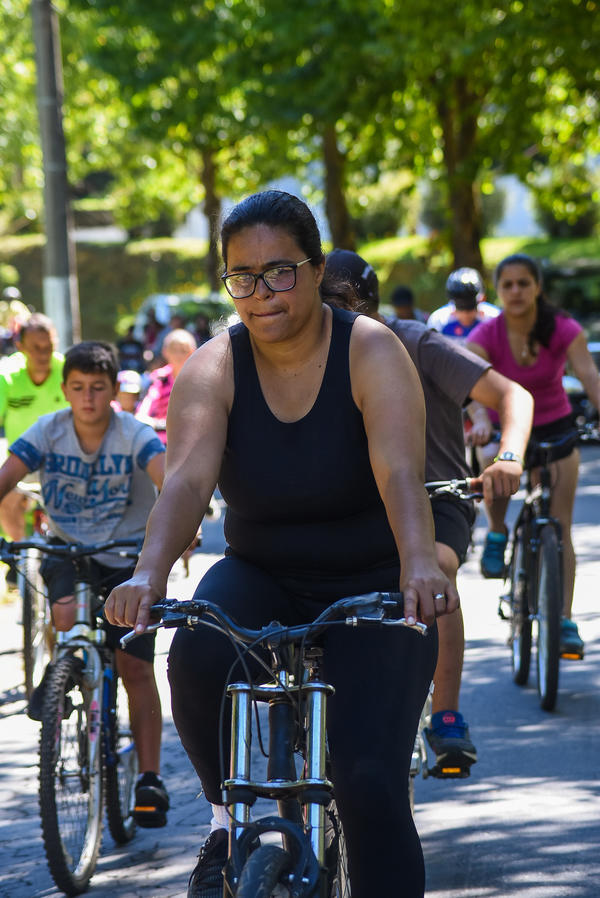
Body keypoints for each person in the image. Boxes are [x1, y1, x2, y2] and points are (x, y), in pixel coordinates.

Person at [105, 189, 459, 898]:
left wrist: (420, 561)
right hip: (262, 568)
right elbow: (185, 482)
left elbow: (398, 469)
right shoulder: (214, 365)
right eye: (242, 275)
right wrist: (148, 574)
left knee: (367, 783)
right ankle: (221, 824)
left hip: (374, 575)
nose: (260, 292)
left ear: (316, 267)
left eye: (280, 271)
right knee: (198, 652)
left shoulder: (369, 348)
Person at [324, 248, 533, 777]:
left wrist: (508, 456)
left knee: (435, 568)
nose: (332, 318)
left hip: (438, 493)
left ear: (369, 307)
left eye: (343, 305)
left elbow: (512, 395)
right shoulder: (306, 349)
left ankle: (445, 714)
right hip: (357, 503)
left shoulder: (417, 342)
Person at [0, 341, 170, 826]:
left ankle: (149, 779)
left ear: (115, 390)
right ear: (65, 390)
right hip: (67, 548)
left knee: (136, 669)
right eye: (78, 388)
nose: (88, 398)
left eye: (98, 388)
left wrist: (183, 528)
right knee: (66, 619)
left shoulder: (133, 433)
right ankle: (64, 680)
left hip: (127, 560)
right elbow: (8, 475)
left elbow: (170, 478)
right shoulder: (47, 431)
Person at [467, 253, 600, 658]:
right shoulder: (486, 334)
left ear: (537, 287)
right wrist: (479, 418)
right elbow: (467, 382)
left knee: (559, 529)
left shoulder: (562, 328)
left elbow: (590, 376)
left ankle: (563, 619)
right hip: (506, 429)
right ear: (497, 292)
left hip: (556, 427)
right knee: (493, 457)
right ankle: (496, 530)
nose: (516, 292)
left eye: (524, 283)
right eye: (507, 285)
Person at [0, 314, 67, 540]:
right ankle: (20, 553)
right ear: (20, 347)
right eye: (35, 347)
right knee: (5, 498)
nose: (43, 354)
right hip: (21, 461)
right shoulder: (6, 375)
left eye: (49, 347)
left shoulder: (69, 371)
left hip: (65, 460)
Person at [136, 328, 197, 445]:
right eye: (174, 349)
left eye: (183, 350)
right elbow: (141, 416)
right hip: (159, 444)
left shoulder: (200, 380)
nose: (178, 355)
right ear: (165, 352)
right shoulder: (158, 378)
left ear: (193, 352)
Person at [428, 267, 500, 340]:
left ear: (482, 299)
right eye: (460, 307)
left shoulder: (494, 319)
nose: (465, 314)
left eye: (470, 307)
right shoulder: (439, 321)